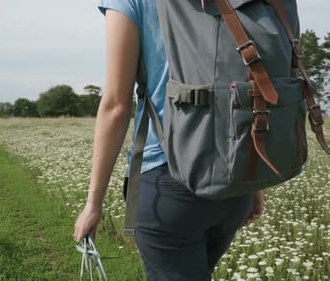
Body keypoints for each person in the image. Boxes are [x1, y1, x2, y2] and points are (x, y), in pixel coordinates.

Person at [73, 1, 265, 280]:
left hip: (168, 182)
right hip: (235, 179)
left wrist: (93, 203)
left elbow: (116, 105)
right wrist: (253, 180)